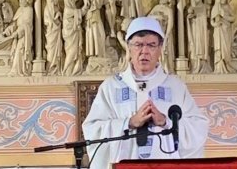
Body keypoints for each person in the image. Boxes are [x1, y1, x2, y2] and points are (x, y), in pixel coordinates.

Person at [82, 17, 209, 169]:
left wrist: (165, 121)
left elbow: (198, 127)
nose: (145, 51)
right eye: (138, 45)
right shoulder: (111, 86)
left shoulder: (176, 86)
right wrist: (128, 123)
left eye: (151, 45)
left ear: (160, 49)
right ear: (129, 48)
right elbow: (92, 129)